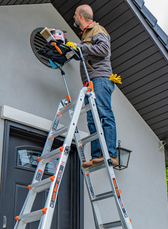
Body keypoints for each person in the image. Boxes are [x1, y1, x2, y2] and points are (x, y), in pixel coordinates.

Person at [68, 4, 118, 168]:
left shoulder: (97, 29)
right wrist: (71, 50)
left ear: (80, 16)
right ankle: (97, 155)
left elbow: (103, 49)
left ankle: (110, 154)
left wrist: (80, 47)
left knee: (104, 115)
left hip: (100, 78)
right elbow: (88, 53)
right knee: (92, 119)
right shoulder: (86, 34)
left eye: (75, 15)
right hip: (90, 81)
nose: (74, 17)